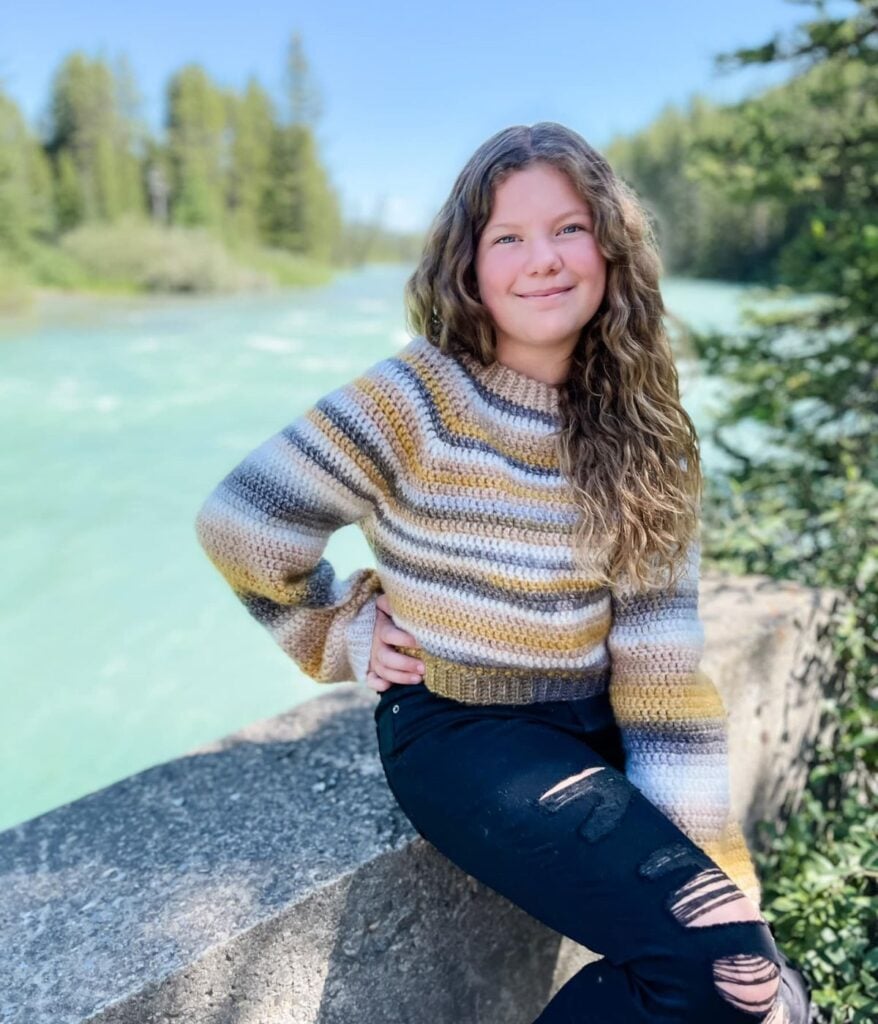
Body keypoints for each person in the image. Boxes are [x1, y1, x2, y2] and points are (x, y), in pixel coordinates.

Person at [194, 122, 812, 1022]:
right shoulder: (416, 396)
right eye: (508, 238)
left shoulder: (649, 432)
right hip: (466, 734)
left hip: (596, 729)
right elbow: (242, 520)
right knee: (737, 988)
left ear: (609, 242)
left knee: (768, 994)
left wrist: (722, 873)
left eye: (567, 228)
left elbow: (661, 670)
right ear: (470, 266)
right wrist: (337, 630)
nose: (544, 260)